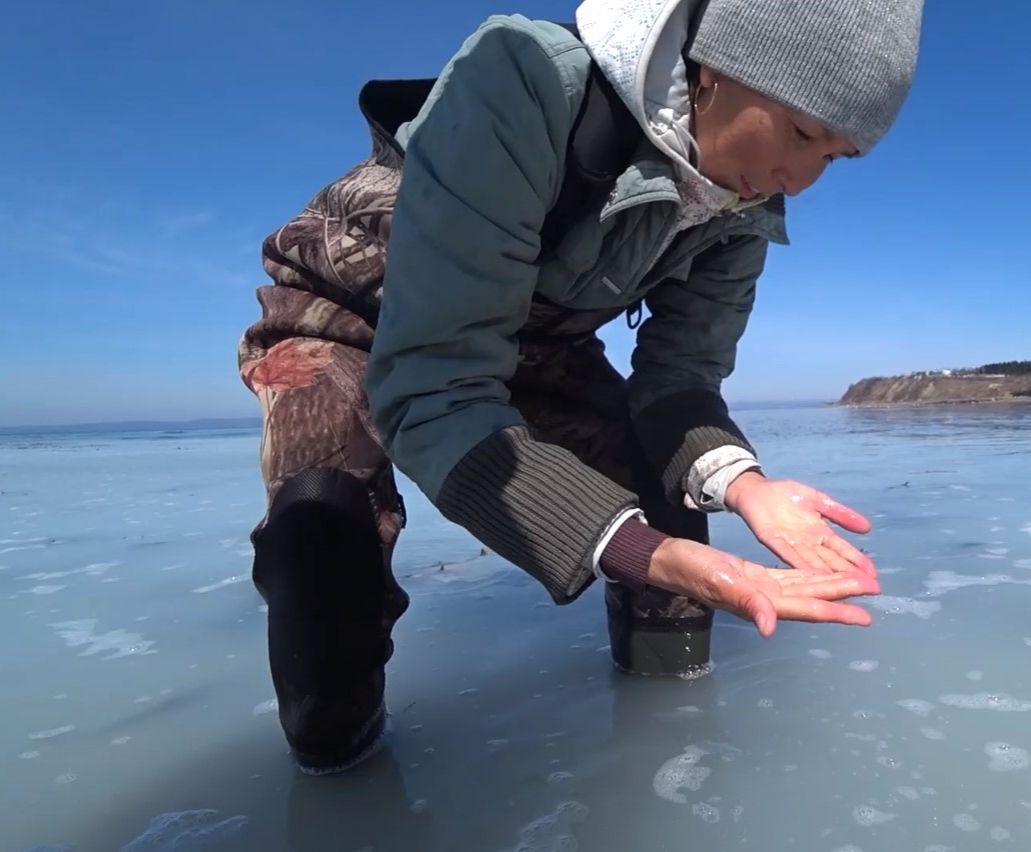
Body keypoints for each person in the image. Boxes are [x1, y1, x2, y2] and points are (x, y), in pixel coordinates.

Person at [236, 0, 924, 776]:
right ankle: (340, 781)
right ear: (716, 65)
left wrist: (745, 486)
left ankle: (669, 761)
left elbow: (679, 379)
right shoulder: (524, 81)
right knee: (322, 547)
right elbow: (437, 387)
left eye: (835, 157)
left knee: (669, 498)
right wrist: (631, 549)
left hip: (537, 344)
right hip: (344, 317)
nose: (798, 179)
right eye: (800, 132)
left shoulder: (743, 208)